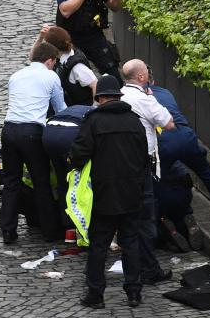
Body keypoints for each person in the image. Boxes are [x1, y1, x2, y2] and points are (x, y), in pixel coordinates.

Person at [70, 75, 148, 309]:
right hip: (132, 192)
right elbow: (144, 156)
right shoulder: (135, 121)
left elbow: (78, 154)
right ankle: (134, 292)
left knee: (98, 245)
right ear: (118, 96)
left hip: (104, 193)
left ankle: (96, 294)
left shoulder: (93, 122)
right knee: (131, 242)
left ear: (101, 98)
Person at [148, 66, 210, 235]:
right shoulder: (165, 92)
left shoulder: (139, 99)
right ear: (153, 80)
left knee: (157, 180)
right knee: (206, 172)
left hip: (163, 141)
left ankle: (165, 219)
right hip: (186, 136)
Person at [0, 41, 66, 244]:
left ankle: (8, 228)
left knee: (11, 181)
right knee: (41, 181)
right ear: (49, 61)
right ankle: (49, 231)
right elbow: (60, 108)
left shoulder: (16, 76)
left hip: (9, 130)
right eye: (54, 63)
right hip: (32, 132)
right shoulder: (51, 76)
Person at [119, 58, 176, 286]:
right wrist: (151, 98)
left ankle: (137, 265)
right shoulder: (144, 99)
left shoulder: (118, 95)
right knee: (145, 219)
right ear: (142, 77)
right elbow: (168, 122)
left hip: (120, 165)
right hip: (143, 166)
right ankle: (150, 269)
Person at [38, 24, 98, 107]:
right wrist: (41, 38)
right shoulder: (61, 56)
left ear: (53, 47)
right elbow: (33, 58)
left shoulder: (77, 66)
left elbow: (95, 84)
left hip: (80, 110)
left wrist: (94, 108)